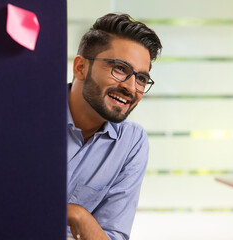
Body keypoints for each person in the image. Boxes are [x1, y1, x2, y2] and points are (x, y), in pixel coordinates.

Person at [67, 13, 162, 240]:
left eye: (141, 78)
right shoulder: (30, 116)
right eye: (120, 68)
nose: (131, 88)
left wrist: (79, 215)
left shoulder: (131, 142)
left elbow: (113, 236)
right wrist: (75, 215)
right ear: (80, 67)